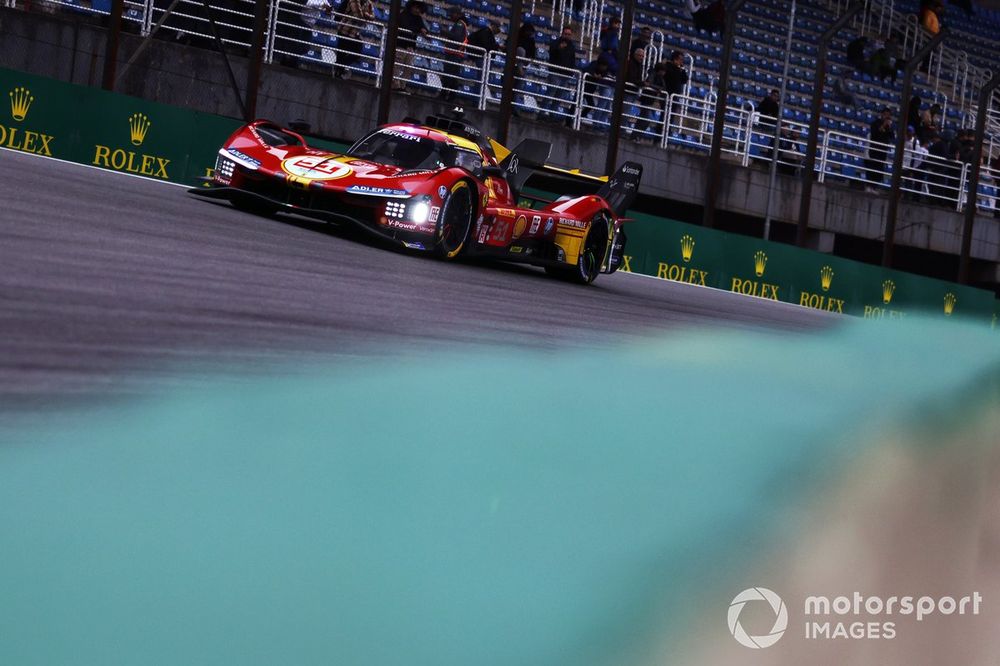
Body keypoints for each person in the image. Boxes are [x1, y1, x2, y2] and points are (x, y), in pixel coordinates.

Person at [544, 25, 578, 123]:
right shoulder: (556, 43)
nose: (567, 36)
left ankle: (552, 114)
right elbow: (552, 53)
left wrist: (571, 71)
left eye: (569, 34)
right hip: (555, 72)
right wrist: (559, 48)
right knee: (550, 93)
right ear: (562, 34)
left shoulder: (572, 46)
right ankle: (542, 113)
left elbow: (572, 59)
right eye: (565, 34)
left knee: (559, 96)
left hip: (565, 75)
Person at [394, 0, 428, 91]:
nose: (417, 10)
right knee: (397, 66)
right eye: (416, 7)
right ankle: (395, 85)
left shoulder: (418, 18)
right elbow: (407, 27)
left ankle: (402, 86)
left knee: (408, 68)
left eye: (419, 8)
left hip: (411, 46)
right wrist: (419, 29)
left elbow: (425, 29)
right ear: (411, 6)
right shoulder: (403, 15)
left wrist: (423, 29)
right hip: (401, 44)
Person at [335, 0, 375, 79]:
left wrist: (366, 15)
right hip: (344, 29)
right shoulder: (354, 0)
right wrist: (366, 16)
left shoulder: (369, 3)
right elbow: (358, 16)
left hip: (354, 32)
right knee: (342, 52)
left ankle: (338, 67)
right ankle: (338, 71)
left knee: (357, 51)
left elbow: (373, 16)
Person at [441, 8, 469, 100]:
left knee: (449, 76)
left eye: (452, 13)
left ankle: (446, 95)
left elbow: (457, 37)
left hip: (454, 54)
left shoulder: (460, 24)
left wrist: (444, 32)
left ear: (458, 14)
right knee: (451, 76)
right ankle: (449, 96)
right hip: (455, 54)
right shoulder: (461, 24)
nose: (451, 15)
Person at [582, 55, 615, 127]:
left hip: (590, 89)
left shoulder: (605, 69)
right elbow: (587, 69)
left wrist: (599, 76)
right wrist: (594, 74)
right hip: (583, 87)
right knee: (601, 104)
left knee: (601, 106)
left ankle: (580, 118)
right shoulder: (594, 64)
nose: (604, 68)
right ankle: (594, 123)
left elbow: (604, 73)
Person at [866, 107, 894, 189]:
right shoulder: (875, 123)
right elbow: (874, 134)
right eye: (885, 115)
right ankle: (869, 186)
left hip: (883, 150)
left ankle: (874, 187)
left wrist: (889, 127)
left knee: (880, 170)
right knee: (872, 168)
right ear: (882, 115)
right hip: (874, 149)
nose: (886, 117)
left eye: (888, 115)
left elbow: (892, 137)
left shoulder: (889, 126)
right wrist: (883, 125)